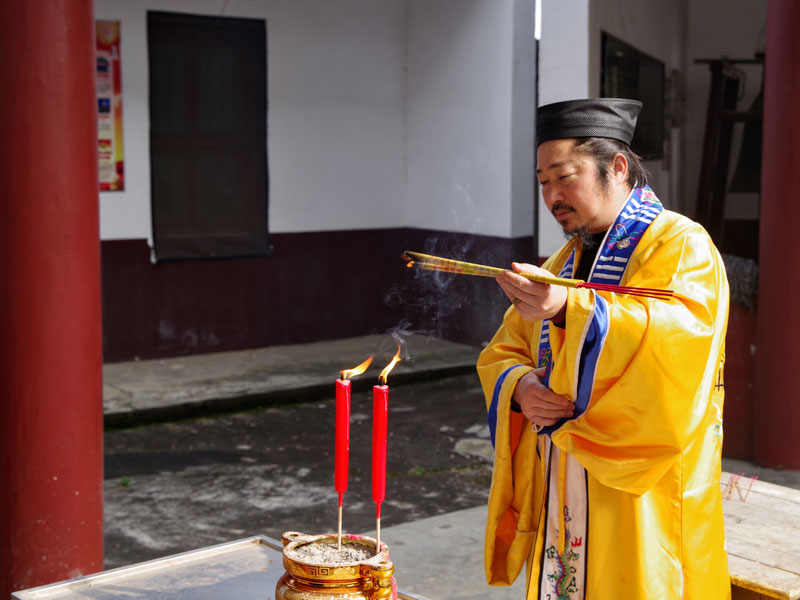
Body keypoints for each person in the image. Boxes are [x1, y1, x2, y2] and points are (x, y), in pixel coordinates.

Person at [477, 98, 730, 599]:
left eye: (563, 176)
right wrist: (522, 387)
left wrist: (570, 310)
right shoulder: (566, 258)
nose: (552, 195)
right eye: (542, 181)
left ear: (617, 167)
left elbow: (681, 339)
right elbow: (505, 348)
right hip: (564, 474)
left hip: (643, 486)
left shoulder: (679, 243)